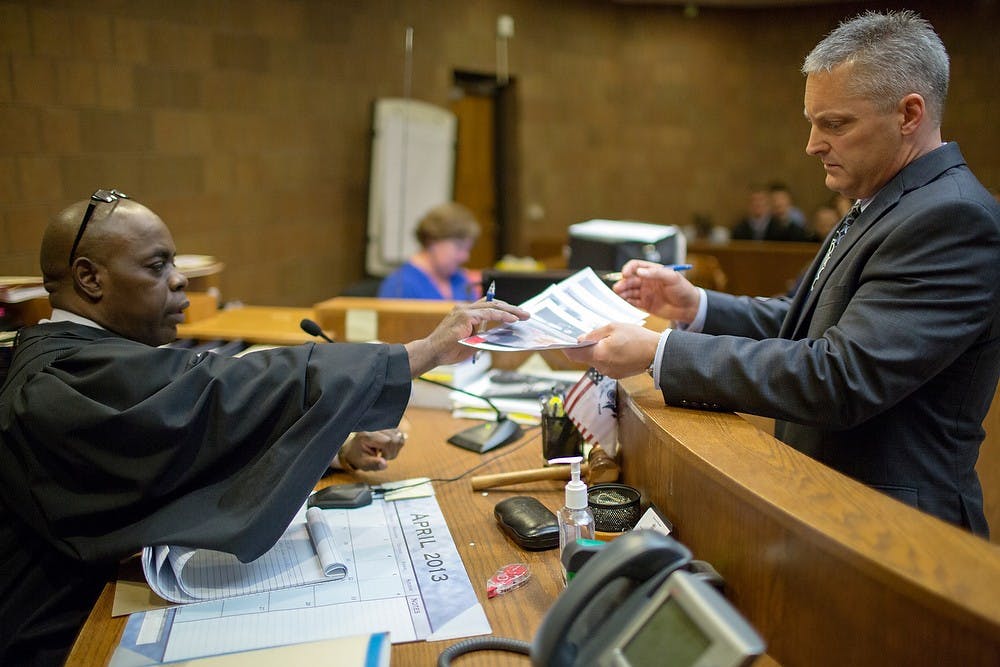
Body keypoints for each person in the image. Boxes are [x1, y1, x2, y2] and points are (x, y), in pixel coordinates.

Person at [0, 192, 528, 665]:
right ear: (90, 279)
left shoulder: (90, 358)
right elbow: (218, 392)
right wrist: (417, 354)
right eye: (158, 266)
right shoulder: (59, 381)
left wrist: (334, 446)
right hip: (62, 631)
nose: (180, 279)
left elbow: (188, 443)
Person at [566, 11, 1000, 537]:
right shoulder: (885, 201)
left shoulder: (953, 218)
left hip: (897, 531)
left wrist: (658, 353)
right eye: (812, 122)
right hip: (834, 504)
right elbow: (807, 327)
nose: (812, 145)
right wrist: (694, 306)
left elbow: (841, 376)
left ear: (909, 114)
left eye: (835, 124)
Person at [377, 202, 481, 300]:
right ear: (433, 240)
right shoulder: (400, 286)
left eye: (467, 249)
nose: (465, 257)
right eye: (459, 247)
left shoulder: (460, 279)